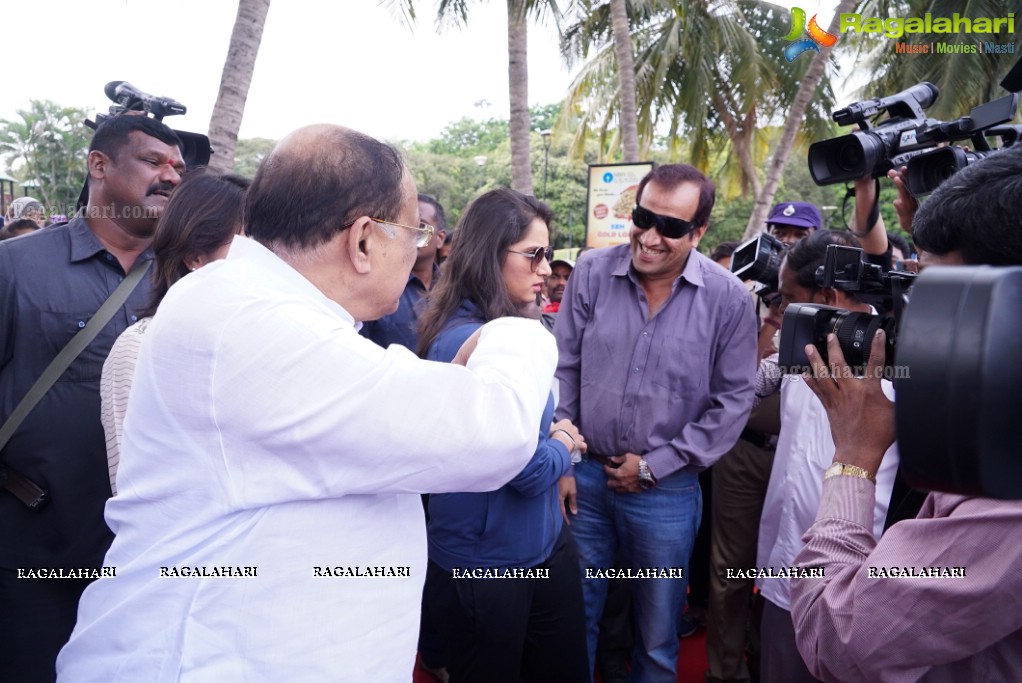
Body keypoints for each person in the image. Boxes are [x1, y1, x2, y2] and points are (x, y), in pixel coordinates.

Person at [56, 124, 563, 682]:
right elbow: (496, 432)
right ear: (365, 239)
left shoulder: (255, 309)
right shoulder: (251, 324)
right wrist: (517, 331)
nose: (420, 248)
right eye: (414, 233)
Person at [790, 144, 1022, 682]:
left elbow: (834, 635)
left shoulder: (1007, 498)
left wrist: (851, 459)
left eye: (943, 300)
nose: (920, 331)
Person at [555, 163, 757, 681]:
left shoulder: (728, 299)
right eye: (642, 217)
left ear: (699, 232)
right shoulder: (592, 272)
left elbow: (732, 400)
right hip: (585, 481)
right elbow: (563, 370)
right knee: (574, 619)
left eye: (669, 227)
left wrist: (655, 466)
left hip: (665, 491)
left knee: (658, 634)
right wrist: (565, 457)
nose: (649, 237)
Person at [0, 114, 184, 683]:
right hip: (32, 550)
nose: (172, 177)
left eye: (178, 167)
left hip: (150, 556)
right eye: (154, 162)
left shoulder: (192, 279)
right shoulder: (17, 267)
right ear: (98, 165)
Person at [416, 188, 589, 683]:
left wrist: (551, 438)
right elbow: (524, 468)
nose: (544, 269)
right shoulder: (468, 338)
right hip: (487, 563)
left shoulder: (505, 327)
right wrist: (564, 443)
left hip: (538, 543)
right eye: (533, 255)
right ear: (489, 255)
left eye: (548, 256)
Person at [755, 230, 899, 683]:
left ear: (830, 296)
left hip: (859, 588)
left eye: (788, 300)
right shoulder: (798, 346)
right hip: (784, 566)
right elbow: (745, 388)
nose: (780, 312)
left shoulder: (902, 360)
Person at [101, 169, 249, 495]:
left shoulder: (275, 339)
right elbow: (134, 487)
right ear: (195, 255)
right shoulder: (138, 348)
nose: (263, 260)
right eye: (246, 244)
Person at [360, 193, 447, 350]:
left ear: (440, 238)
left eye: (420, 226)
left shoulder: (453, 289)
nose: (409, 233)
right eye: (403, 225)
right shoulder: (375, 286)